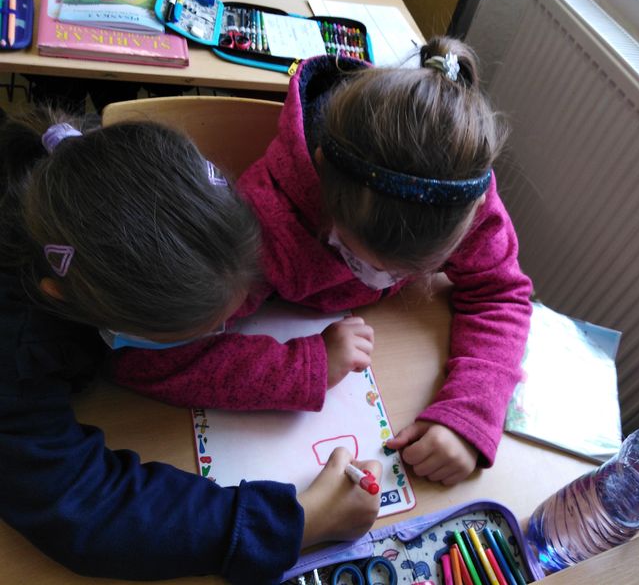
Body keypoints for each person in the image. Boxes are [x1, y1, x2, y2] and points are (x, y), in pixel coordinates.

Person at [19, 36, 532, 487]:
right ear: (323, 193)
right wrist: (308, 366)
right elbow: (150, 357)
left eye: (408, 273)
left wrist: (470, 413)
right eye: (363, 260)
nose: (385, 281)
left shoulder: (462, 200)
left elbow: (500, 291)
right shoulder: (265, 221)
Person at [0, 107, 381, 584]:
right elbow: (82, 506)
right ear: (64, 297)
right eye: (198, 333)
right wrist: (299, 523)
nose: (222, 335)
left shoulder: (95, 183)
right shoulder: (15, 348)